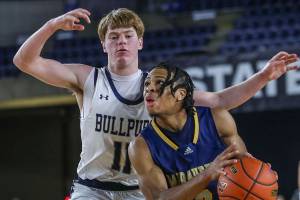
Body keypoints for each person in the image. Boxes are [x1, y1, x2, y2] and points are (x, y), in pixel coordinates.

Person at [13, 7, 298, 200]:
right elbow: (24, 61)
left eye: (128, 36)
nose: (121, 42)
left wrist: (264, 76)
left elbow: (219, 100)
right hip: (92, 188)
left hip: (140, 189)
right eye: (113, 37)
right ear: (103, 45)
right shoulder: (87, 77)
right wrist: (52, 25)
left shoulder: (159, 86)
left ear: (140, 43)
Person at [129, 63, 254, 199]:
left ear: (180, 94)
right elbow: (159, 198)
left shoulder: (217, 119)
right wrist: (207, 175)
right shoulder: (141, 146)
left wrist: (263, 176)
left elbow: (245, 168)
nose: (149, 88)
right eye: (146, 84)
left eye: (159, 82)